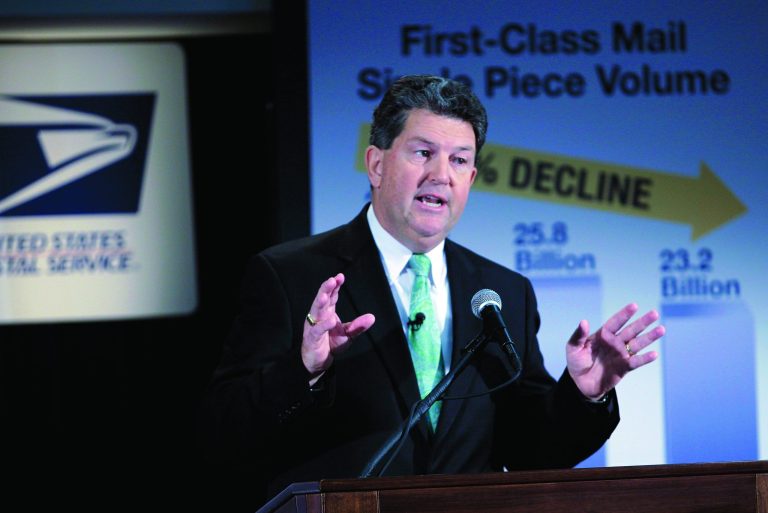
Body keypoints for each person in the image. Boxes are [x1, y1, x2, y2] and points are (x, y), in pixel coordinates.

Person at [199, 75, 664, 504]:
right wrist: (306, 369)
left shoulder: (503, 292)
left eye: (459, 160)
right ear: (376, 164)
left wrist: (583, 393)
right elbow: (226, 434)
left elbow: (532, 452)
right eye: (423, 153)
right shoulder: (291, 275)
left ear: (471, 180)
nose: (441, 174)